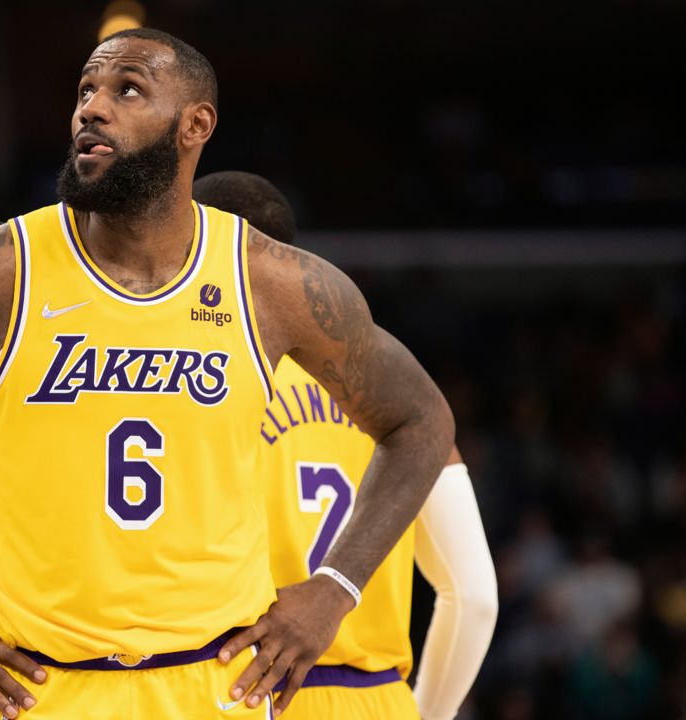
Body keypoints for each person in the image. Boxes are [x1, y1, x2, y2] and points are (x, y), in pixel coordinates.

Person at [0, 28, 453, 720]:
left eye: (127, 90)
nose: (91, 109)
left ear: (196, 125)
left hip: (215, 685)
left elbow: (421, 419)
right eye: (85, 92)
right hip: (42, 689)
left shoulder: (273, 285)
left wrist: (335, 586)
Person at [193, 170, 498, 719]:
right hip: (376, 696)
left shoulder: (187, 384)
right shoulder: (392, 392)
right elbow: (475, 596)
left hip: (235, 692)